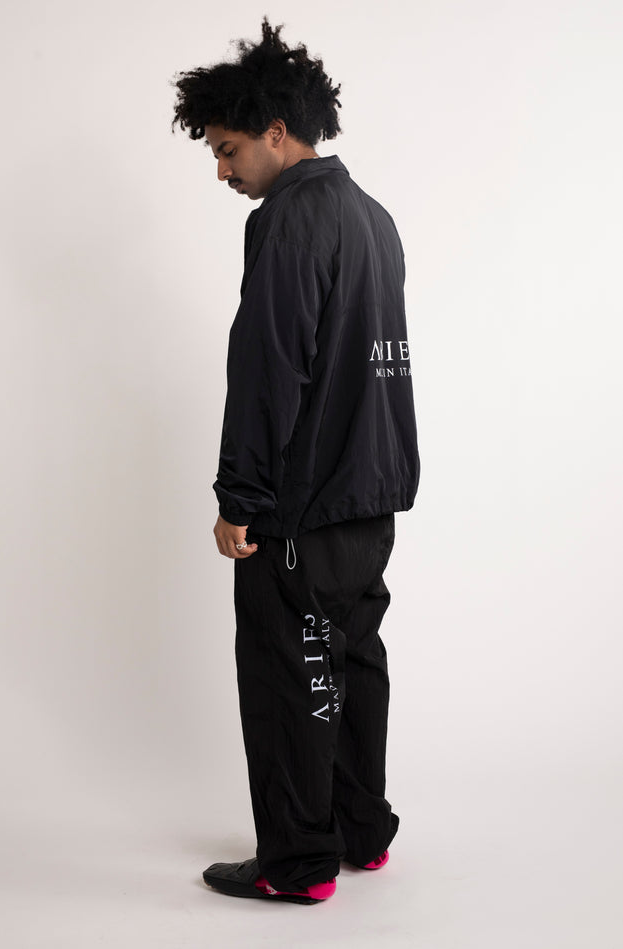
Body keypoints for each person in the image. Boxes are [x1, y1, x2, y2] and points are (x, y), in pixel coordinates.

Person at [171, 18, 420, 906]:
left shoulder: (288, 221)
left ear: (275, 133)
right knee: (351, 663)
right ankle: (360, 832)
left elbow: (270, 366)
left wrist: (239, 495)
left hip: (301, 508)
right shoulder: (374, 219)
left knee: (291, 675)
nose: (222, 171)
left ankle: (298, 863)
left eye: (227, 149)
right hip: (369, 502)